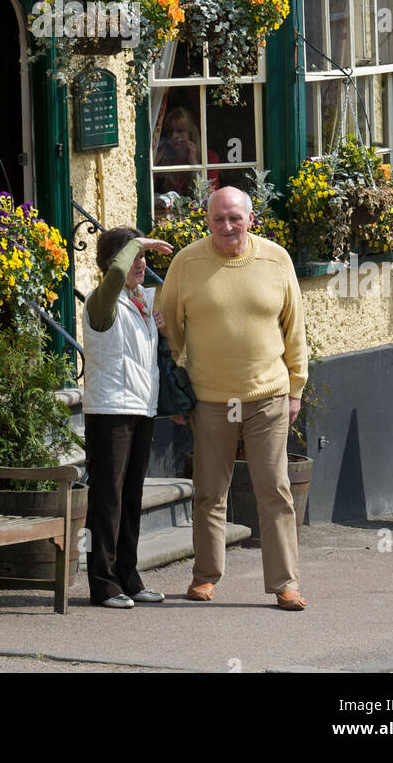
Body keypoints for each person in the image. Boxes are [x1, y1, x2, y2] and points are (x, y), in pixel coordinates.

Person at [156, 185, 309, 610]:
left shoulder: (276, 258)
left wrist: (296, 388)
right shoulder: (186, 263)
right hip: (209, 398)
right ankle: (205, 577)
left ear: (250, 218)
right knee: (209, 492)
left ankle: (285, 584)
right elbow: (171, 330)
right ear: (208, 220)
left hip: (268, 395)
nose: (227, 226)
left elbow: (294, 329)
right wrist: (176, 393)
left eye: (235, 218)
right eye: (219, 218)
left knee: (274, 489)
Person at [82, 226, 174, 608]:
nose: (141, 263)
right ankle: (102, 584)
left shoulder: (142, 301)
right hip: (109, 410)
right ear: (112, 263)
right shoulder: (101, 300)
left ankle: (128, 577)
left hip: (141, 407)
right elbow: (117, 275)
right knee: (107, 499)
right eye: (134, 255)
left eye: (144, 256)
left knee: (131, 497)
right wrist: (139, 243)